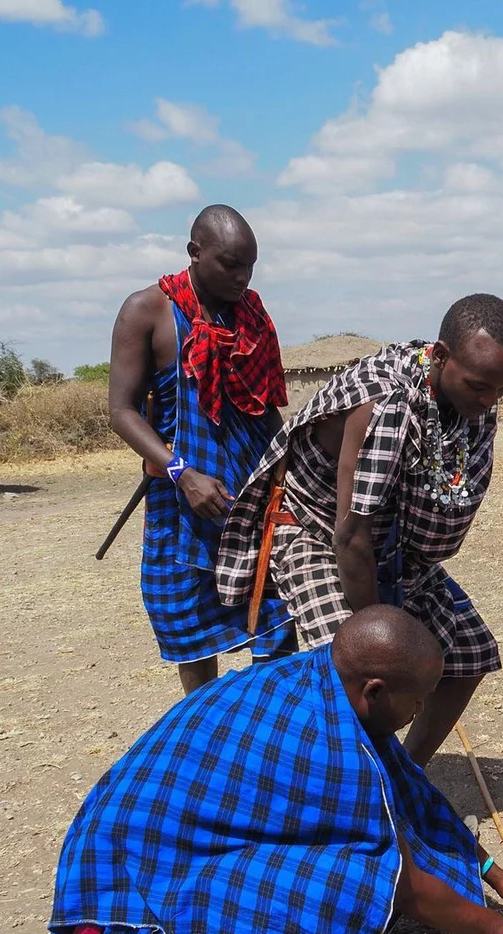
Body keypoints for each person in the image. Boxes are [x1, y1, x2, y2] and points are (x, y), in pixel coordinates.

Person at [48, 607, 503, 934]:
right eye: (419, 700)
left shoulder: (327, 679)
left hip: (149, 857)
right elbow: (401, 883)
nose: (422, 711)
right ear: (376, 690)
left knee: (383, 852)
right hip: (129, 912)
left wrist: (491, 872)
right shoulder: (326, 744)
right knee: (360, 893)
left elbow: (407, 793)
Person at [218, 294, 503, 766]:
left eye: (501, 391)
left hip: (393, 550)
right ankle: (352, 793)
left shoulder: (467, 402)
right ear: (440, 356)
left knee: (470, 652)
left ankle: (404, 777)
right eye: (481, 387)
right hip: (321, 539)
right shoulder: (385, 404)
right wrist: (384, 636)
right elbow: (350, 536)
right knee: (362, 681)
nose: (489, 402)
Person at [108, 204, 294, 695]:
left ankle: (267, 734)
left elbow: (266, 408)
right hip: (184, 500)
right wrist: (181, 471)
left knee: (275, 621)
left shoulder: (250, 315)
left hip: (251, 498)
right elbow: (121, 411)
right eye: (230, 265)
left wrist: (287, 471)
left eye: (250, 266)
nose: (243, 277)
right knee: (194, 637)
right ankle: (206, 733)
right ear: (194, 253)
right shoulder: (146, 311)